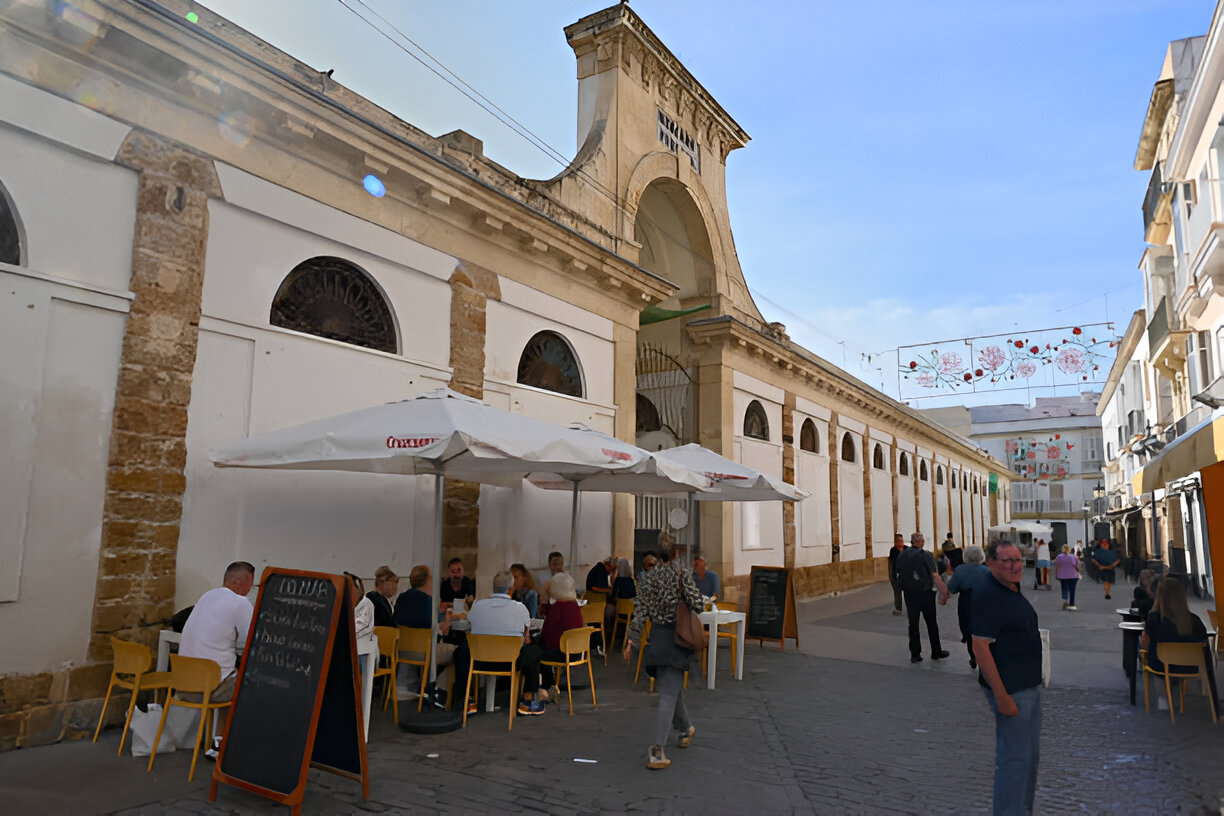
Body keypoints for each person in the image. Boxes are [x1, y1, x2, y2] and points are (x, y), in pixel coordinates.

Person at [972, 541, 1042, 815]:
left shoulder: (1010, 589)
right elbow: (980, 646)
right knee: (1014, 761)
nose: (1015, 565)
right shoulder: (988, 595)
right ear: (991, 563)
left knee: (1028, 759)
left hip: (1027, 686)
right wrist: (1001, 696)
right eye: (1007, 561)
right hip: (1012, 691)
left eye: (1018, 559)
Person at [623, 539, 702, 770]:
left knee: (670, 687)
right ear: (676, 555)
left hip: (656, 638)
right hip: (677, 638)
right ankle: (656, 749)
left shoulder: (647, 579)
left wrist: (632, 641)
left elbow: (639, 612)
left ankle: (686, 728)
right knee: (668, 693)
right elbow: (698, 605)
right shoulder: (681, 575)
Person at [453, 570, 545, 716]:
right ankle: (529, 699)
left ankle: (466, 699)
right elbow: (526, 639)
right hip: (510, 662)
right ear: (511, 588)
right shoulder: (520, 609)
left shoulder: (477, 606)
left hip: (479, 661)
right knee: (533, 650)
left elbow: (470, 626)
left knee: (462, 649)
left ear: (493, 587)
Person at [179, 561, 255, 705]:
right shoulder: (241, 602)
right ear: (244, 582)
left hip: (185, 680)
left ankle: (215, 726)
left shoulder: (207, 596)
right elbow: (248, 644)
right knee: (256, 684)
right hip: (212, 686)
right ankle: (226, 728)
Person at [393, 564, 455, 700]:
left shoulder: (401, 599)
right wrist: (449, 616)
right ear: (428, 580)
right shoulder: (429, 603)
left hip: (401, 650)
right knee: (458, 653)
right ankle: (439, 689)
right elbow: (443, 630)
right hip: (425, 652)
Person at [895, 532, 950, 663]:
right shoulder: (926, 555)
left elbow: (898, 572)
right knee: (931, 622)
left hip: (909, 593)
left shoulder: (903, 555)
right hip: (925, 593)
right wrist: (944, 592)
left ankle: (915, 653)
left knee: (913, 623)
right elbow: (935, 575)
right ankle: (936, 651)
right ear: (922, 542)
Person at [1140, 578, 1209, 675]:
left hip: (1161, 667)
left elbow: (1145, 644)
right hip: (1191, 668)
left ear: (1159, 596)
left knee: (1143, 643)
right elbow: (1204, 645)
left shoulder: (1154, 619)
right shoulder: (1194, 620)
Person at [539, 572, 584, 703]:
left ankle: (547, 686)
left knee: (538, 652)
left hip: (562, 652)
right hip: (577, 651)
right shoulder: (574, 605)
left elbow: (546, 634)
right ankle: (551, 686)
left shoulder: (556, 608)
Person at [941, 545, 990, 669]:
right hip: (984, 606)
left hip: (966, 606)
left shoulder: (961, 570)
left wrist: (944, 598)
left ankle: (973, 657)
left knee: (969, 634)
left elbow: (952, 588)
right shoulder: (987, 570)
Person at [1053, 544, 1081, 611]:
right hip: (1073, 576)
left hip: (1063, 576)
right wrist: (1078, 572)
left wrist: (1057, 575)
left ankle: (1065, 601)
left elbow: (1057, 566)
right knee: (1072, 590)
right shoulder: (1073, 557)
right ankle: (1072, 604)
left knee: (1064, 588)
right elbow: (1078, 565)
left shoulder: (1059, 557)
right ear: (1069, 549)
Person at [539, 551, 566, 618]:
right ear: (549, 564)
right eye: (555, 564)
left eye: (559, 564)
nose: (558, 567)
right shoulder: (544, 577)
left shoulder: (567, 577)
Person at [887, 533, 905, 616]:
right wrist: (891, 577)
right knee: (897, 592)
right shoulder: (893, 550)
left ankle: (911, 607)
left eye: (901, 541)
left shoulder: (907, 549)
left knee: (908, 593)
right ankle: (898, 608)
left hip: (906, 576)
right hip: (897, 576)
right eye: (898, 541)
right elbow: (891, 564)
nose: (900, 543)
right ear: (895, 542)